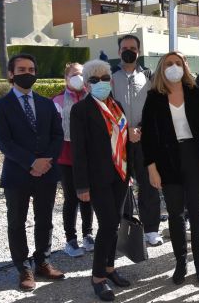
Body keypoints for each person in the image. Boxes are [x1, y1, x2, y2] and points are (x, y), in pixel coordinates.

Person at [141, 51, 199, 285]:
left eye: (178, 63)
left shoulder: (196, 92)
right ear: (161, 68)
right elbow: (149, 138)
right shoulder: (154, 96)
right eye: (168, 64)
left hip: (195, 158)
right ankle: (180, 262)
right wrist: (151, 168)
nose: (173, 67)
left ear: (185, 66)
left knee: (196, 214)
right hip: (167, 161)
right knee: (175, 215)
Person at [0, 53, 65, 291]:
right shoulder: (0, 106)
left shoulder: (46, 104)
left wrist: (46, 161)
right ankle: (24, 268)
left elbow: (57, 135)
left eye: (32, 70)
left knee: (45, 219)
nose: (28, 74)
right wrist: (32, 162)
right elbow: (4, 142)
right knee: (16, 222)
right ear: (11, 74)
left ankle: (43, 261)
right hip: (17, 173)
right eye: (22, 69)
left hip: (47, 172)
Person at [71, 60, 132, 301]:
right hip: (97, 179)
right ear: (86, 85)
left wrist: (130, 172)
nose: (101, 83)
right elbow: (78, 152)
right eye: (94, 80)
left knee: (114, 223)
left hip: (119, 175)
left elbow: (125, 141)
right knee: (107, 224)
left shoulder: (116, 106)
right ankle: (97, 278)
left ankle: (110, 268)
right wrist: (82, 186)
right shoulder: (81, 110)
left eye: (104, 78)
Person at [111, 34, 163, 246]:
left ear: (138, 52)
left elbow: (155, 108)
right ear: (118, 52)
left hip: (145, 139)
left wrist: (140, 129)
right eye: (125, 47)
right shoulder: (110, 78)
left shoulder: (149, 77)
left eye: (133, 47)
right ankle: (124, 229)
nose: (128, 51)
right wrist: (126, 131)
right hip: (120, 139)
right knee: (121, 186)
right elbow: (108, 109)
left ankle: (151, 229)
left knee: (149, 184)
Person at [52, 62, 95, 257]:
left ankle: (88, 234)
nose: (79, 77)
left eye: (82, 74)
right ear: (66, 78)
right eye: (75, 74)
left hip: (88, 156)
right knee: (71, 198)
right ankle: (71, 239)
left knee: (87, 197)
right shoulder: (58, 100)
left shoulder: (92, 98)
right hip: (66, 156)